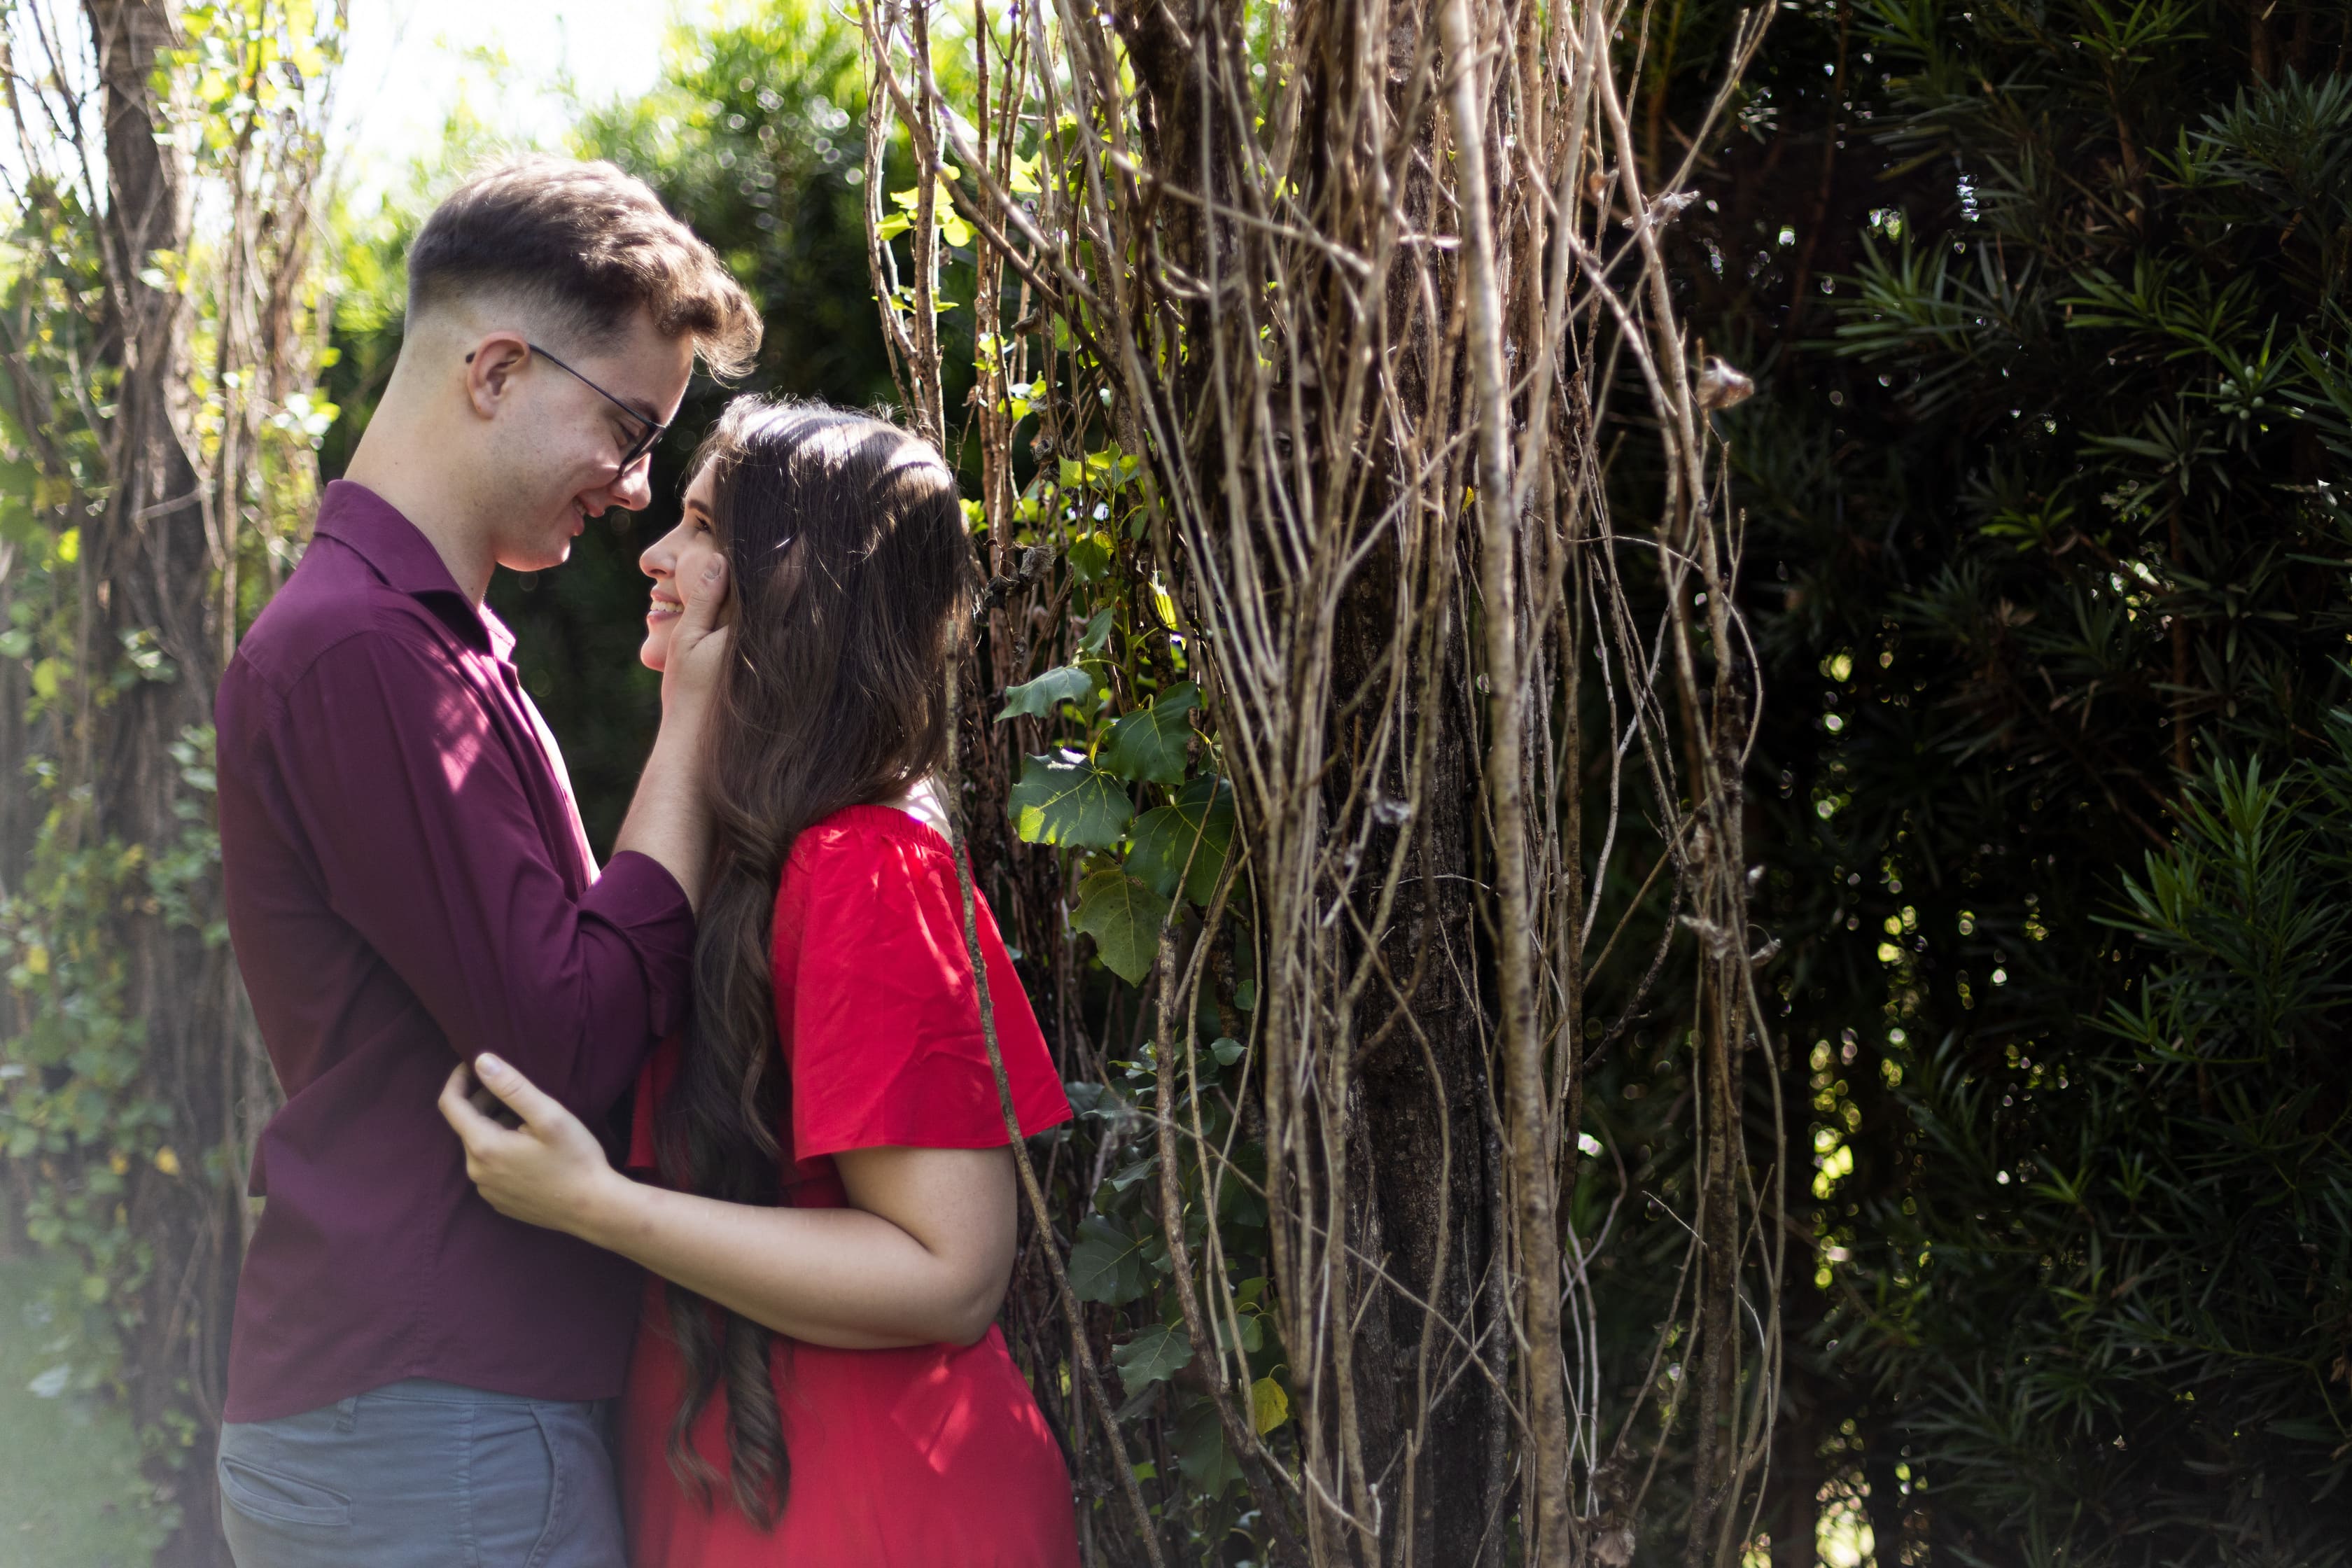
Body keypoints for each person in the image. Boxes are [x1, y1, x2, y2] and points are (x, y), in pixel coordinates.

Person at [212, 158, 761, 1567]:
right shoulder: (362, 651)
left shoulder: (423, 641)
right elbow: (556, 1047)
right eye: (628, 429)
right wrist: (694, 727)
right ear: (499, 370)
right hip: (433, 1422)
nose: (636, 490)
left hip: (426, 1413)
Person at [438, 398, 1082, 1566]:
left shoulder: (864, 864)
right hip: (741, 1477)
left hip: (872, 1511)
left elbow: (950, 1273)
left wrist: (595, 1204)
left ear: (789, 586)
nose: (654, 554)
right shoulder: (748, 852)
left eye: (699, 527)